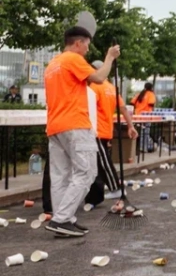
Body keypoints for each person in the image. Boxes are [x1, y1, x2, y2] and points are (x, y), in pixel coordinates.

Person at [43, 25, 121, 237]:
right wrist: (109, 57)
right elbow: (99, 77)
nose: (87, 49)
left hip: (55, 126)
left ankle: (63, 220)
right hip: (75, 124)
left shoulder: (52, 64)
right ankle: (61, 219)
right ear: (77, 43)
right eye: (86, 44)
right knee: (86, 172)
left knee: (61, 176)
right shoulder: (73, 59)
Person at [85, 60, 136, 212]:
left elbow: (88, 109)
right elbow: (123, 109)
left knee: (102, 163)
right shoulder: (112, 89)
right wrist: (131, 126)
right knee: (96, 165)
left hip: (95, 131)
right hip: (106, 130)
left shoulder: (94, 87)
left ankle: (116, 188)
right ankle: (94, 197)